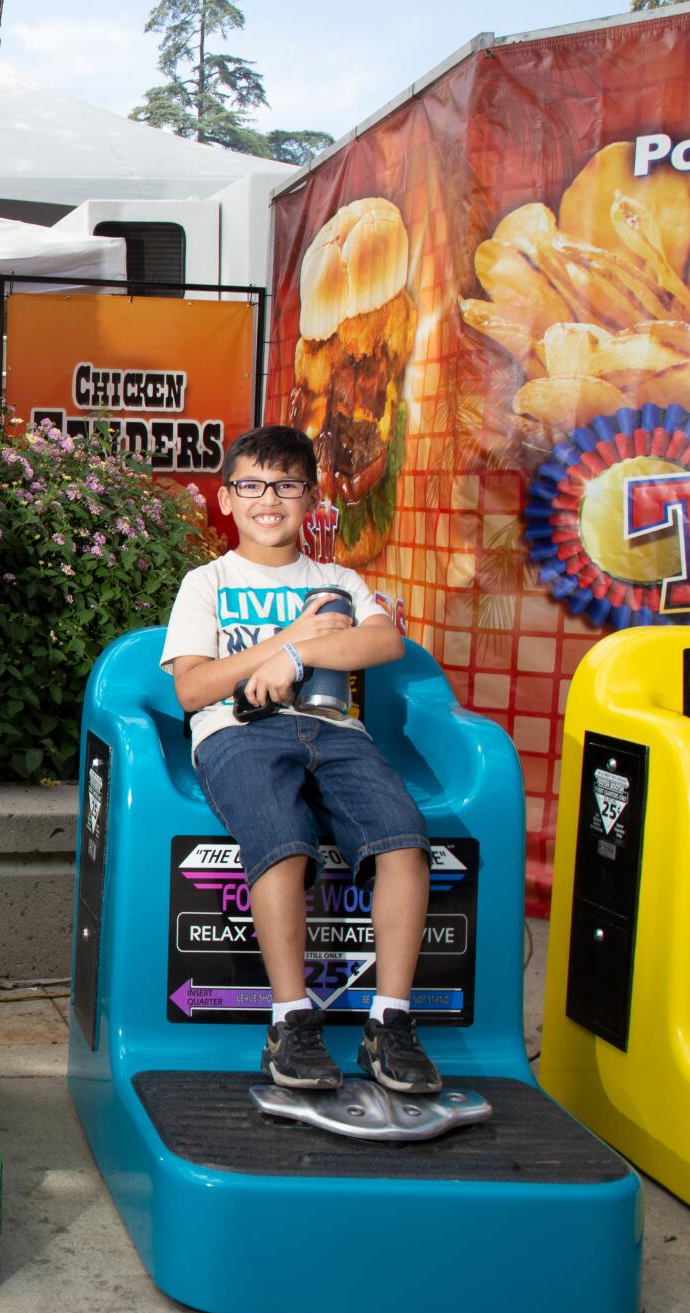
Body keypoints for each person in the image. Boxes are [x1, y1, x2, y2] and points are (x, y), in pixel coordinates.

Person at [160, 424, 441, 1094]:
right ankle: (291, 1021)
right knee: (283, 843)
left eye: (286, 486)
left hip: (336, 734)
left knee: (403, 839)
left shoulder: (337, 579)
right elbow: (195, 687)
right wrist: (287, 639)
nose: (269, 499)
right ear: (226, 499)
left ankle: (390, 1021)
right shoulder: (208, 581)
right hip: (238, 734)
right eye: (251, 485)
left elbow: (383, 645)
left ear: (311, 498)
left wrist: (296, 657)